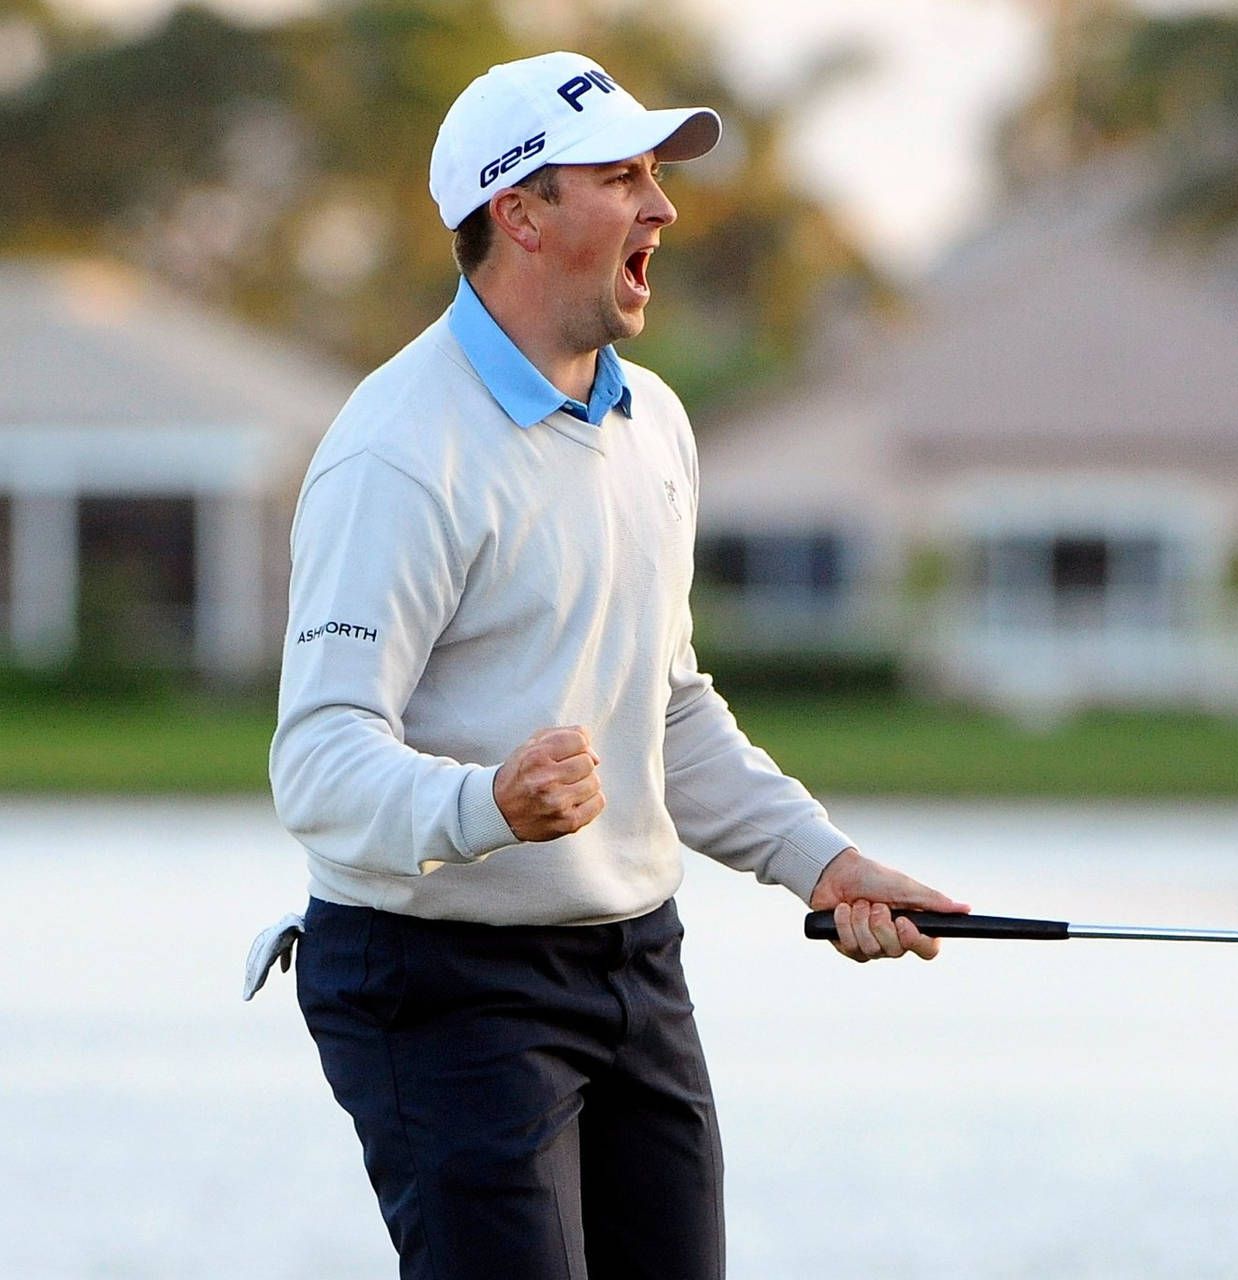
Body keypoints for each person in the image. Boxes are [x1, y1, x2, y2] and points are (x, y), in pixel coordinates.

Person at [266, 49, 966, 1280]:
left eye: (655, 176)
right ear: (518, 214)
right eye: (622, 178)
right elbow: (318, 763)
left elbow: (668, 709)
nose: (664, 209)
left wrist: (827, 863)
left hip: (634, 961)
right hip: (438, 983)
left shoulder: (654, 426)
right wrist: (483, 803)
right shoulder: (398, 451)